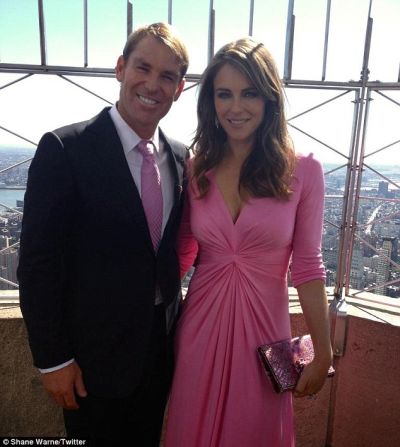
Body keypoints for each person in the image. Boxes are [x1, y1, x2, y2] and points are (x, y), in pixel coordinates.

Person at [17, 22, 189, 446]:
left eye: (167, 76)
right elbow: (38, 264)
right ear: (120, 68)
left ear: (180, 89)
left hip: (159, 351)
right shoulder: (65, 148)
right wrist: (53, 360)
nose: (153, 84)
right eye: (143, 68)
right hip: (90, 360)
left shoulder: (180, 156)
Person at [163, 38, 333, 447]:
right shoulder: (196, 169)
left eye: (249, 93)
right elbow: (182, 254)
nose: (235, 107)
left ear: (269, 97)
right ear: (210, 101)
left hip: (265, 338)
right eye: (224, 94)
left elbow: (308, 267)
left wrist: (323, 352)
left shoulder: (304, 171)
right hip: (198, 330)